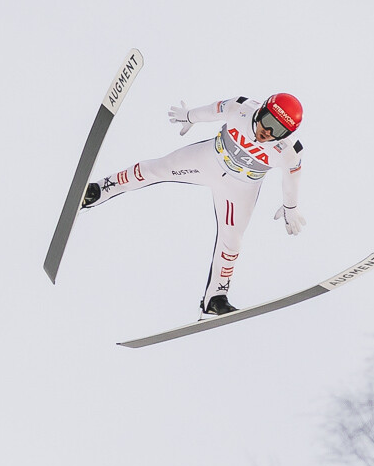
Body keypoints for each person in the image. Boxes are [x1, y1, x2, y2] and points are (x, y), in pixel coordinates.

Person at [81, 92, 306, 316]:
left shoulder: (289, 152)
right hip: (206, 161)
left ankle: (215, 298)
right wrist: (189, 116)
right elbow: (212, 110)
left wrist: (290, 207)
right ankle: (98, 191)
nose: (268, 132)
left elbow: (291, 180)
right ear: (261, 110)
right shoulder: (241, 108)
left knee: (232, 242)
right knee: (154, 169)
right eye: (268, 121)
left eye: (278, 131)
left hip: (239, 190)